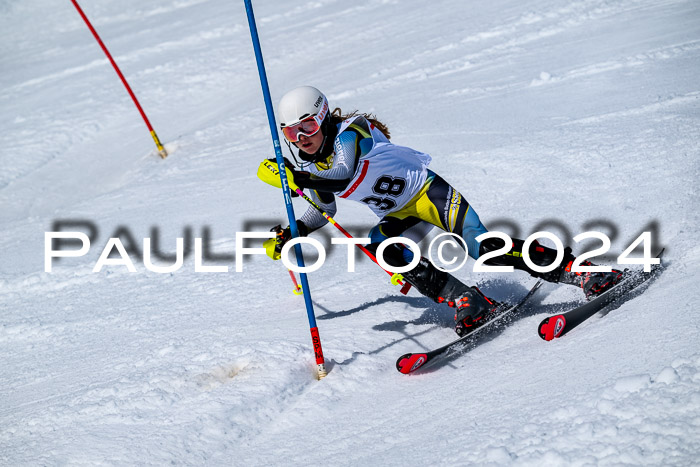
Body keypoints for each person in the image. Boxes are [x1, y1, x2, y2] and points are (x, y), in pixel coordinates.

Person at [264, 85, 623, 336]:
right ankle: (467, 300)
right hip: (399, 215)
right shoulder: (312, 164)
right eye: (291, 133)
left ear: (324, 117)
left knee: (481, 248)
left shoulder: (351, 133)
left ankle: (580, 269)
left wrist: (296, 177)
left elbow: (341, 177)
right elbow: (323, 206)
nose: (302, 138)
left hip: (428, 193)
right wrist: (293, 232)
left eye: (308, 126)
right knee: (381, 243)